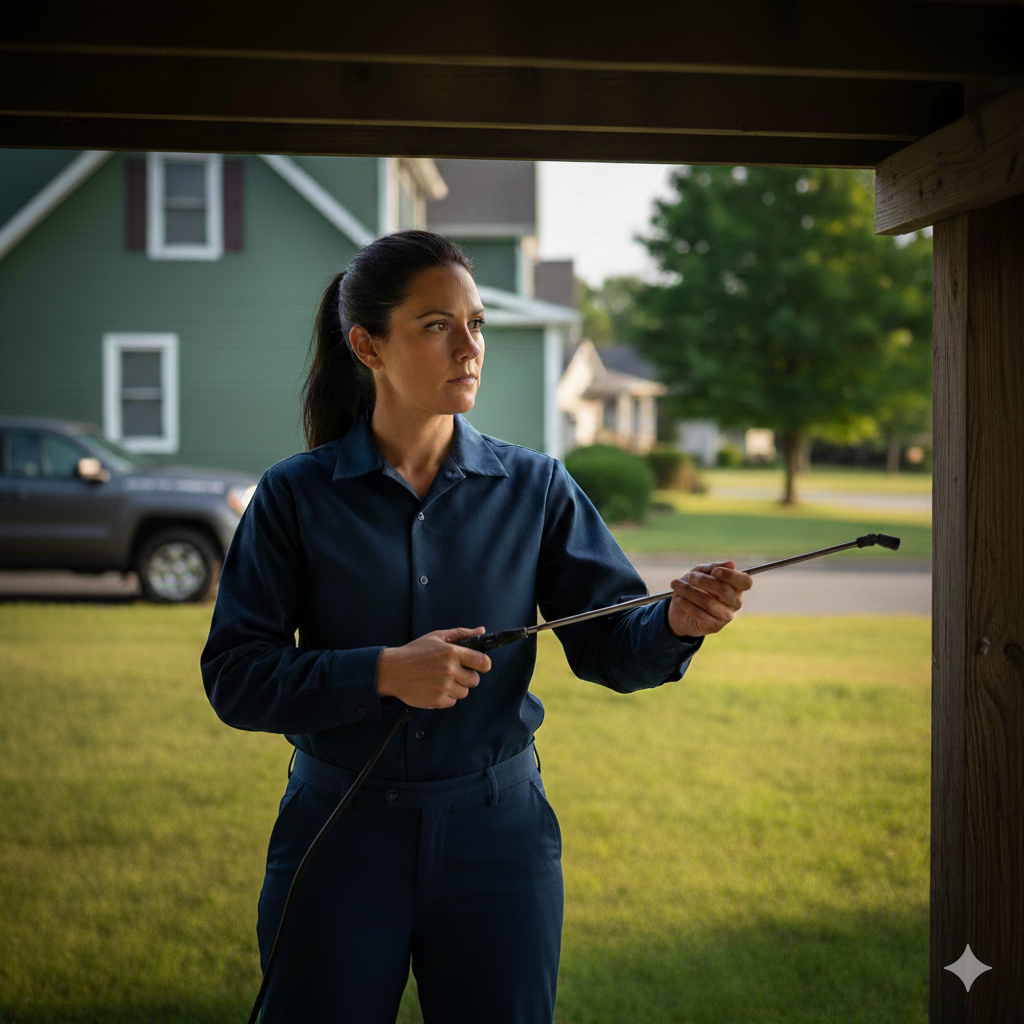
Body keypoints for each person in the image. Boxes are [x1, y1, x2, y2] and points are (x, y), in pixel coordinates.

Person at [200, 230, 752, 1024]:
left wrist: (674, 621)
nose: (470, 347)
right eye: (437, 325)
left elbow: (611, 647)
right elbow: (236, 677)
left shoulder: (538, 488)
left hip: (501, 845)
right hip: (339, 839)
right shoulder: (294, 498)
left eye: (478, 323)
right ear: (368, 345)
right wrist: (384, 672)